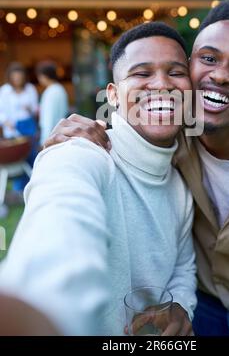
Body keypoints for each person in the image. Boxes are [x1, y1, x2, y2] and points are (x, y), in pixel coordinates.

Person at [46, 0, 229, 336]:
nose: (221, 75)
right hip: (201, 305)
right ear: (192, 67)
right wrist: (78, 134)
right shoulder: (168, 136)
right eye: (208, 59)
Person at [0, 22, 197, 336]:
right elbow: (62, 213)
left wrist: (182, 304)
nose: (161, 84)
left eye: (175, 72)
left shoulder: (180, 185)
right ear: (113, 95)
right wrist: (40, 306)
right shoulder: (81, 152)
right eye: (142, 73)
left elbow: (183, 267)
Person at [0, 62, 39, 193]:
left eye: (19, 77)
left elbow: (35, 109)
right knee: (17, 158)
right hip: (13, 128)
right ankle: (19, 189)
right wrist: (5, 122)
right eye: (15, 77)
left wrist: (30, 109)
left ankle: (35, 184)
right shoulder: (4, 91)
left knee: (32, 155)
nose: (17, 80)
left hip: (28, 125)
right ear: (10, 77)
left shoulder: (30, 89)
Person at [36, 61, 69, 147]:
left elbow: (48, 118)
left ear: (44, 76)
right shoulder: (60, 89)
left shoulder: (51, 92)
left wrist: (44, 141)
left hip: (52, 137)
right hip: (60, 134)